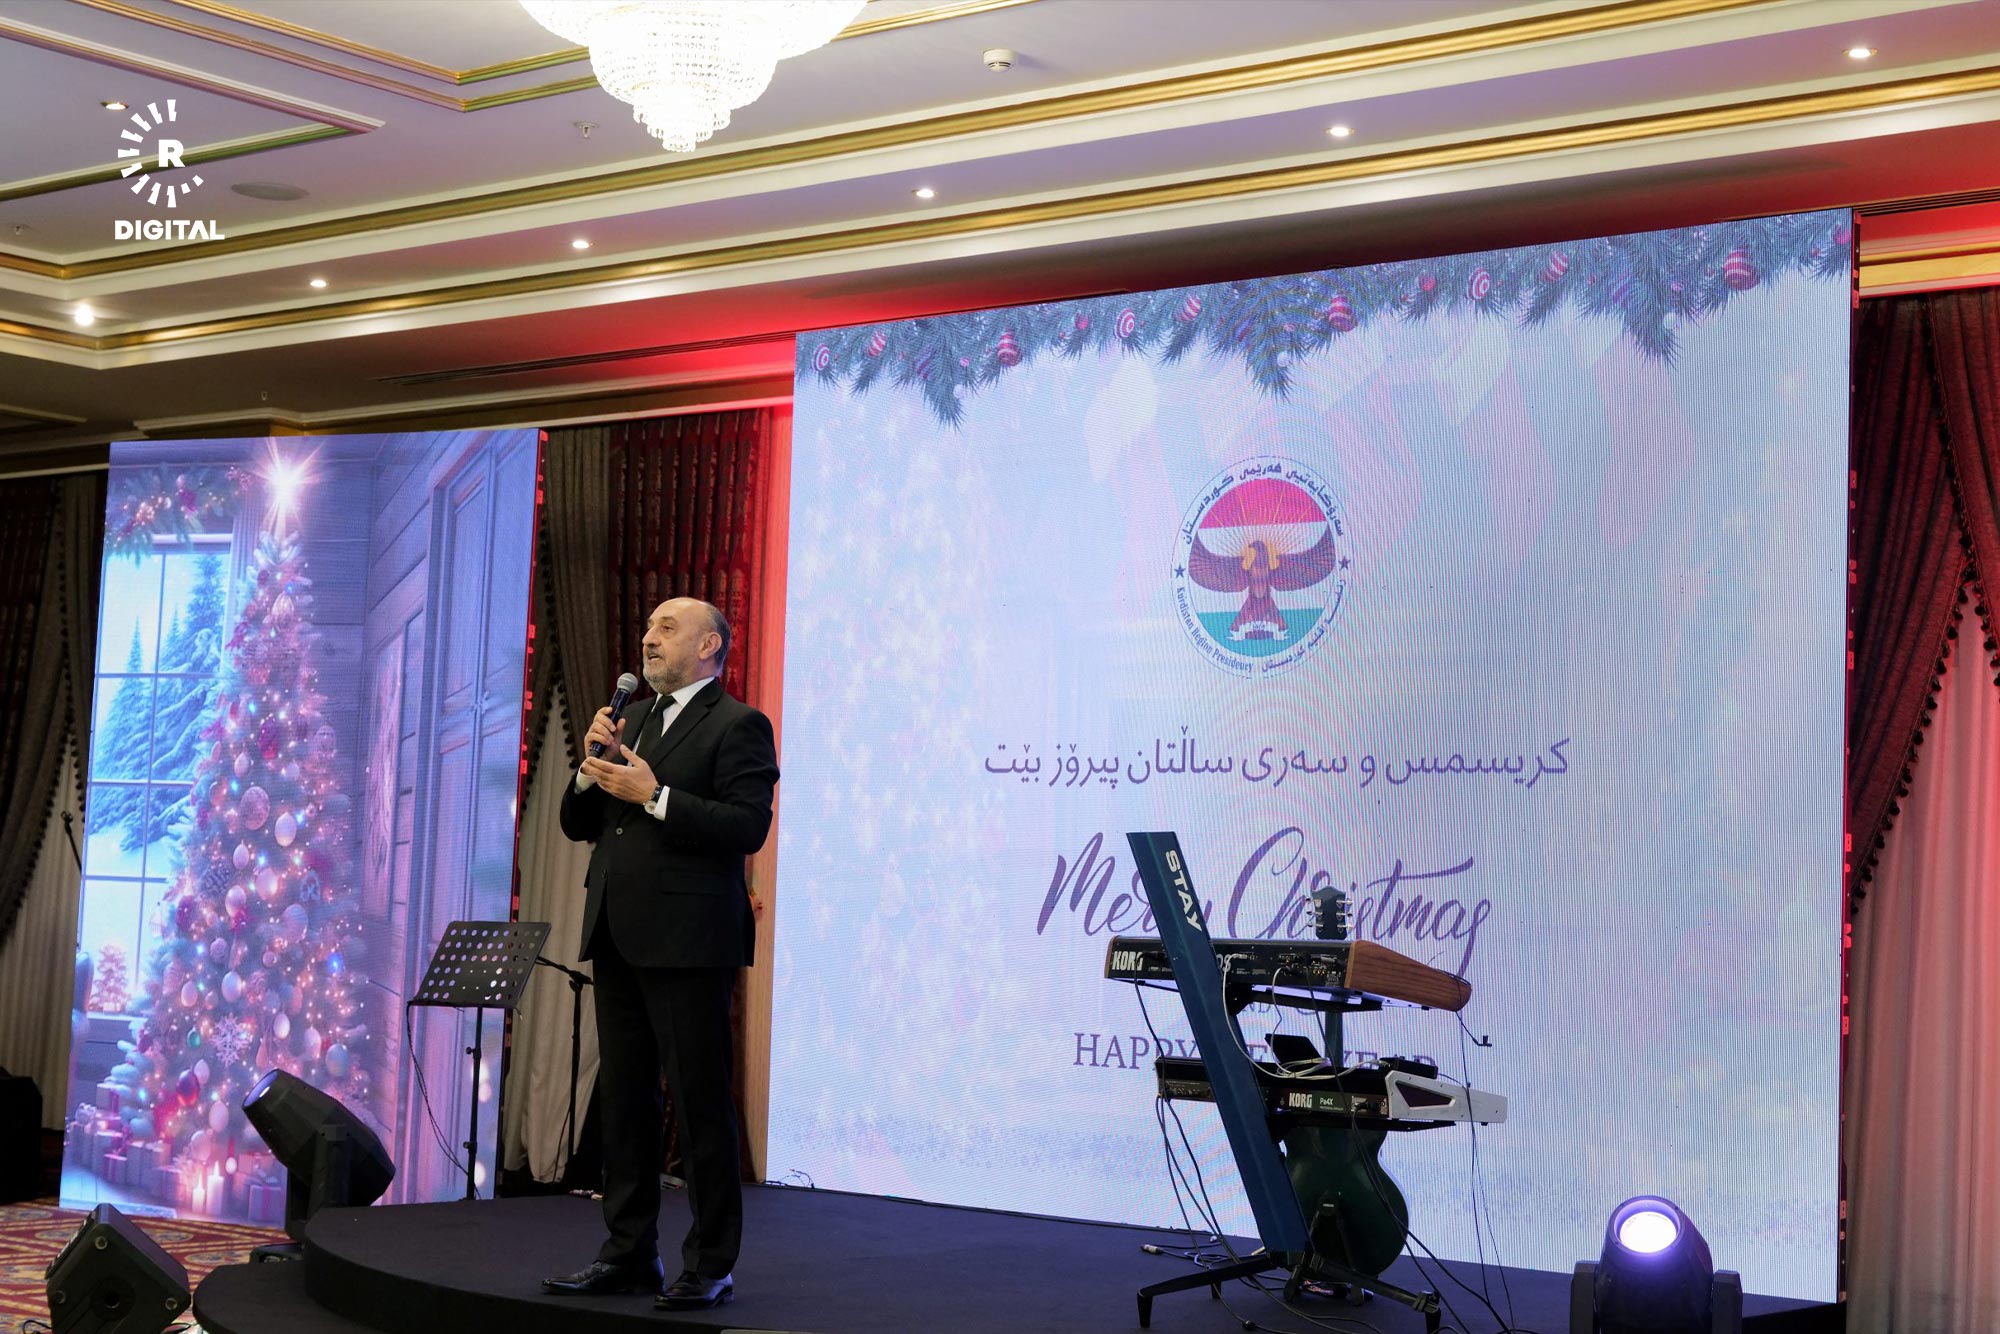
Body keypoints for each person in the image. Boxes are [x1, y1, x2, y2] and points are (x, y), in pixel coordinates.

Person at [541, 597, 778, 1312]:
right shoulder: (633, 720)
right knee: (626, 1104)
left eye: (666, 628)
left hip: (689, 942)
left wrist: (658, 795)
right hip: (617, 933)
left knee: (700, 1106)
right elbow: (577, 822)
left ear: (709, 645)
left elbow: (746, 827)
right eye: (646, 627)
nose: (648, 638)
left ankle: (710, 1263)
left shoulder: (739, 725)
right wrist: (589, 770)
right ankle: (627, 1254)